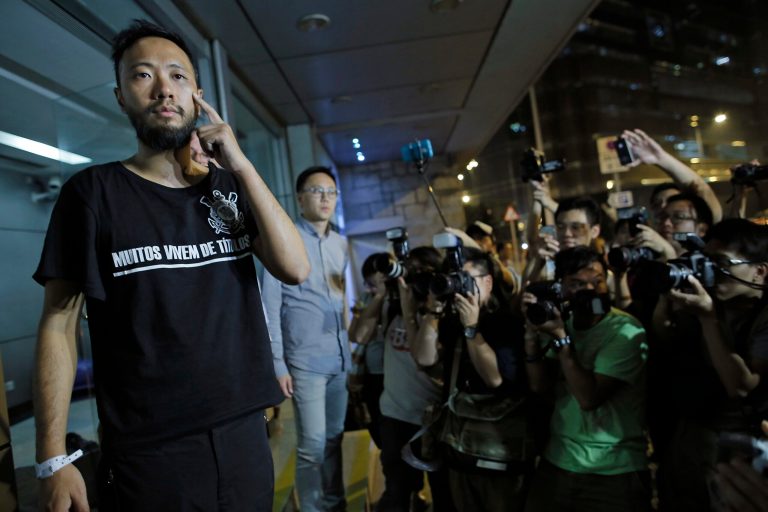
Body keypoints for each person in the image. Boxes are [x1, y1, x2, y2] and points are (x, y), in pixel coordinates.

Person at [32, 20, 309, 512]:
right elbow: (59, 324)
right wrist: (52, 457)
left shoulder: (226, 189)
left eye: (178, 76)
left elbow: (294, 267)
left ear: (197, 95)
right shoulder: (92, 195)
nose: (164, 89)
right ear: (121, 96)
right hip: (150, 453)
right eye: (143, 75)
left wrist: (240, 164)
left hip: (245, 433)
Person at [523, 247, 650, 512]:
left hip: (613, 469)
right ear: (562, 288)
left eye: (598, 281)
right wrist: (531, 340)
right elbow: (539, 386)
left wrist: (561, 339)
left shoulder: (626, 330)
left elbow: (589, 398)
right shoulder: (560, 321)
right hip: (558, 460)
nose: (591, 290)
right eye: (578, 284)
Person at [655, 218, 768, 511]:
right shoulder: (713, 299)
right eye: (706, 260)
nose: (710, 271)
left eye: (720, 262)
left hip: (743, 448)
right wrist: (667, 293)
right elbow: (664, 332)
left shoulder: (762, 318)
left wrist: (707, 318)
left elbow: (743, 387)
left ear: (759, 272)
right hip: (693, 434)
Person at [411, 246, 530, 511]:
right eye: (453, 280)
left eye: (466, 279)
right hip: (459, 451)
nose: (458, 287)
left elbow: (495, 380)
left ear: (487, 282)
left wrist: (472, 329)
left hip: (497, 455)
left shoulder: (507, 323)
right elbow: (424, 358)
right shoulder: (451, 320)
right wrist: (433, 313)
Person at [261, 165, 349, 512]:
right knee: (312, 445)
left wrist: (350, 356)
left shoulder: (341, 243)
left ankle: (335, 502)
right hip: (305, 363)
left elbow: (343, 304)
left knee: (334, 440)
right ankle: (313, 509)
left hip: (340, 361)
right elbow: (270, 305)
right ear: (300, 199)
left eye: (331, 192)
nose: (325, 198)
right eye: (317, 191)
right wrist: (278, 364)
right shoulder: (285, 240)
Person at [374, 247, 452, 512]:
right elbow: (358, 335)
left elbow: (425, 360)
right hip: (395, 416)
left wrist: (415, 312)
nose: (416, 278)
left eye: (423, 272)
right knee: (398, 491)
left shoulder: (445, 314)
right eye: (411, 270)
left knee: (444, 493)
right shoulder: (392, 306)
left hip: (434, 420)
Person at [621, 128, 723, 224]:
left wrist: (660, 159)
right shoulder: (649, 241)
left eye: (672, 200)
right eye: (657, 204)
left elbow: (701, 189)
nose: (664, 207)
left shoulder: (699, 240)